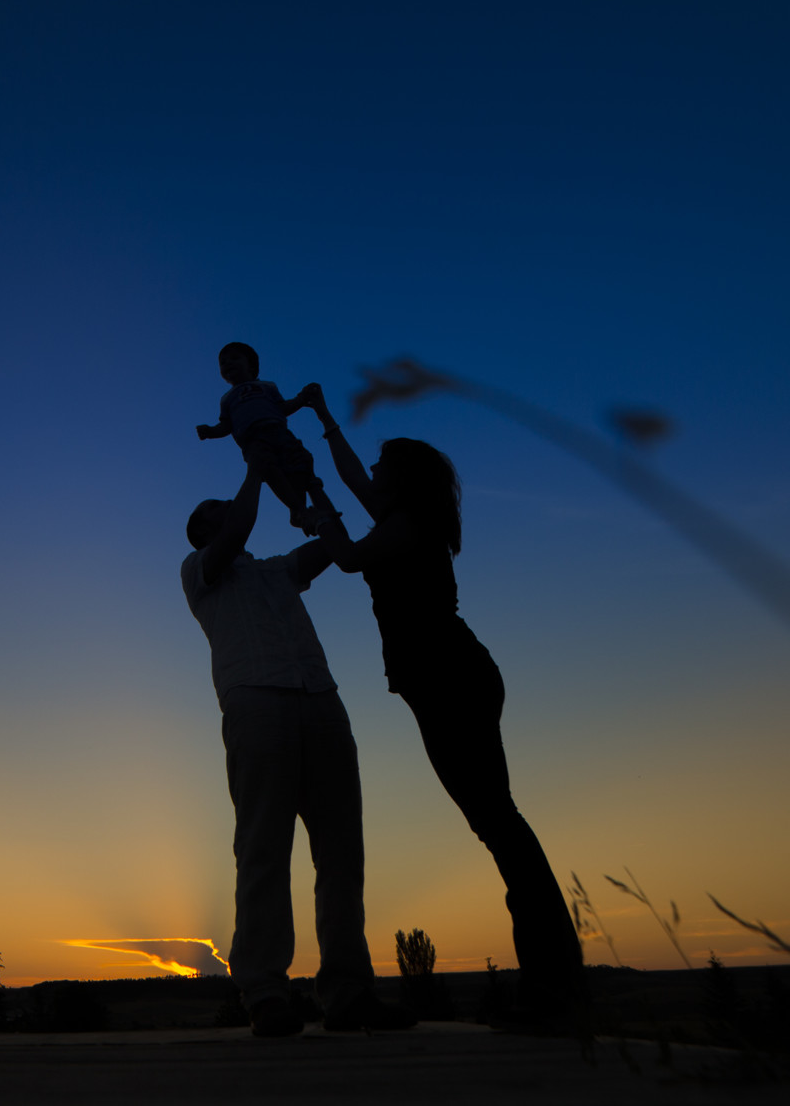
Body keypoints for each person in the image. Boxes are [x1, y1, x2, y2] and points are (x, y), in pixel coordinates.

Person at [300, 387, 585, 1023]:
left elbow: (348, 558)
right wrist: (322, 420)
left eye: (382, 465)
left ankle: (556, 989)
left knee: (499, 824)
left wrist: (319, 516)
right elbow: (352, 479)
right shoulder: (403, 519)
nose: (372, 471)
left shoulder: (407, 526)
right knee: (498, 824)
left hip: (450, 677)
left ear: (402, 478)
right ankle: (554, 986)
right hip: (446, 679)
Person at [180, 455, 410, 1036]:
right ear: (204, 530)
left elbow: (334, 549)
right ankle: (264, 992)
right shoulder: (200, 571)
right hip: (256, 702)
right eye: (219, 509)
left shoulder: (277, 570)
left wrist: (314, 492)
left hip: (320, 698)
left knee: (342, 849)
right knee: (263, 846)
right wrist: (257, 471)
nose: (230, 509)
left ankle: (349, 992)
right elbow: (238, 528)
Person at [195, 341, 325, 531]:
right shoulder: (227, 399)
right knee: (268, 468)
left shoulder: (268, 386)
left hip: (279, 432)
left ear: (251, 365)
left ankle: (298, 509)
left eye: (234, 358)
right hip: (253, 440)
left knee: (300, 462)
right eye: (223, 362)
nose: (227, 363)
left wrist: (301, 399)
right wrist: (210, 432)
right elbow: (226, 425)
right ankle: (299, 509)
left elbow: (282, 408)